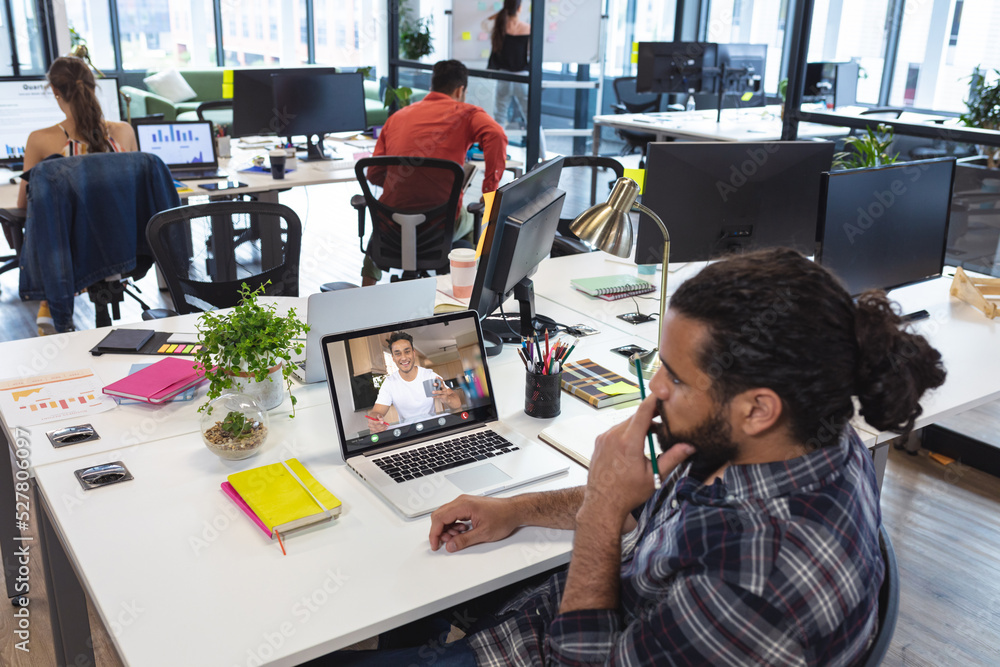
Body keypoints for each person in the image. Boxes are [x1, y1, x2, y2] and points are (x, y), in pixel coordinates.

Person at [320, 248, 946, 666]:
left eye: (673, 377)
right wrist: (515, 509)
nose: (654, 390)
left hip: (560, 646)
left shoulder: (758, 582)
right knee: (408, 589)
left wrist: (600, 511)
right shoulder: (809, 433)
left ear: (758, 407)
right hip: (577, 608)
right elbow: (645, 507)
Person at [16, 56, 137, 335]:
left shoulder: (40, 139)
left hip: (68, 252)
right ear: (93, 87)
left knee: (39, 220)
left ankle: (50, 297)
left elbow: (25, 205)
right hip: (122, 244)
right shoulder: (124, 132)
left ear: (55, 92)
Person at [362, 60, 507, 286]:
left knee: (382, 222)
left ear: (433, 86)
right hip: (440, 224)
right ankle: (465, 294)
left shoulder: (397, 117)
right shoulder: (467, 113)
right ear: (460, 90)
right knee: (473, 218)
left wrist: (405, 183)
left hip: (392, 225)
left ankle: (365, 295)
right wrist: (489, 192)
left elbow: (373, 174)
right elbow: (496, 135)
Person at [368, 331, 463, 432]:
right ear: (393, 358)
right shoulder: (389, 383)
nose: (403, 357)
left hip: (433, 429)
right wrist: (375, 419)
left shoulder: (429, 376)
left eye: (407, 351)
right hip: (408, 433)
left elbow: (457, 404)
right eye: (398, 353)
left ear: (413, 353)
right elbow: (377, 411)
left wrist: (446, 398)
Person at [487, 0, 530, 129]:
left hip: (504, 77)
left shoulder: (499, 27)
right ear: (519, 8)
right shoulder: (528, 28)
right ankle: (539, 150)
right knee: (531, 119)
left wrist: (500, 13)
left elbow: (485, 22)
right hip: (523, 78)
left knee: (500, 117)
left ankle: (498, 149)